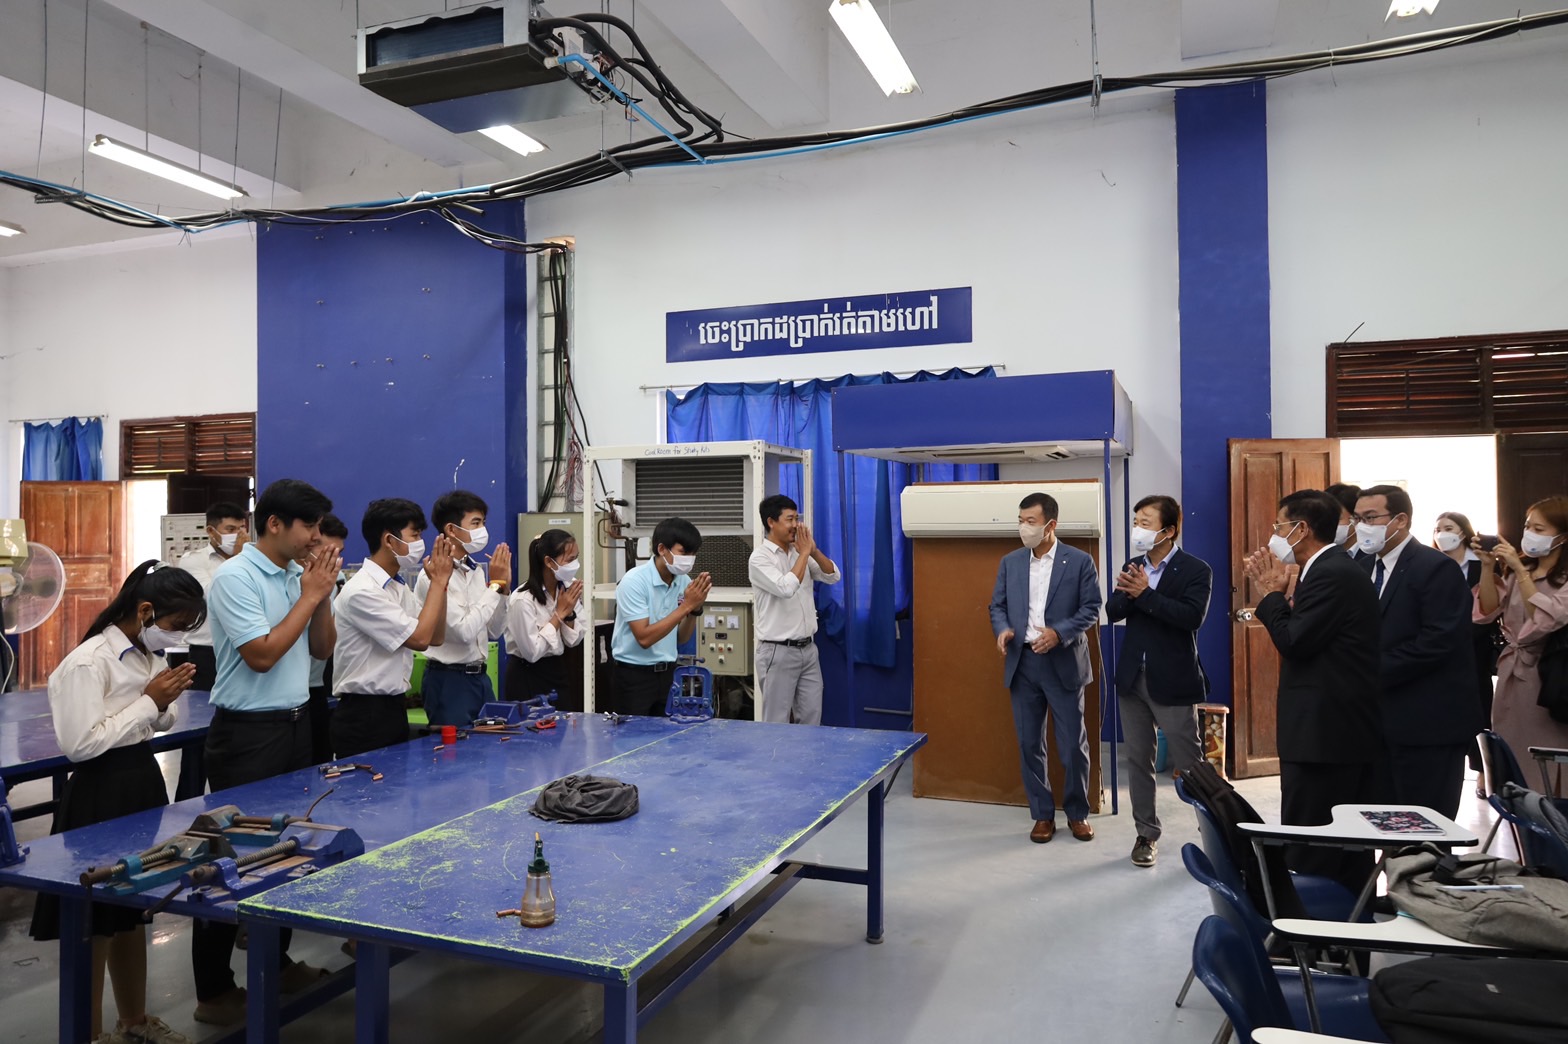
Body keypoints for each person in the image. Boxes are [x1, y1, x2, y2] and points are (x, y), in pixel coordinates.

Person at [29, 562, 205, 1044]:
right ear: (145, 611)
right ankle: (88, 1034)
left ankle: (134, 1021)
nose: (176, 637)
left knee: (131, 909)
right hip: (99, 792)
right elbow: (81, 744)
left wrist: (162, 702)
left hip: (140, 782)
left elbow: (157, 722)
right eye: (175, 625)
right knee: (94, 919)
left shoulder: (147, 655)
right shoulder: (88, 663)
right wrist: (149, 701)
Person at [194, 478, 339, 1025]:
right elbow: (261, 655)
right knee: (228, 856)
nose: (317, 537)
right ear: (274, 523)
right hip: (248, 736)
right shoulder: (236, 577)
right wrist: (310, 595)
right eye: (309, 526)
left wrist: (319, 595)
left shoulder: (297, 575)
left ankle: (274, 965)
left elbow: (321, 649)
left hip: (296, 725)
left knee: (287, 850)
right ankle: (213, 991)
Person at [1244, 490, 1383, 892]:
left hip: (1326, 736)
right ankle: (1347, 920)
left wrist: (1271, 595)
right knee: (1340, 844)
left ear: (1301, 529)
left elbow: (1296, 641)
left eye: (1279, 526)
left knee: (1315, 843)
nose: (1274, 535)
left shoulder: (1331, 572)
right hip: (1330, 732)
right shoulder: (1323, 569)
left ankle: (1316, 921)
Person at [1352, 485, 1478, 818]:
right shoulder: (1362, 565)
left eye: (1370, 518)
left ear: (1400, 520)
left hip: (1427, 722)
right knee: (1383, 822)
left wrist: (1367, 672)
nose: (1362, 526)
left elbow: (1438, 640)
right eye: (1357, 519)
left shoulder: (1435, 567)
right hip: (1377, 724)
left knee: (1424, 826)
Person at [989, 492, 1102, 844]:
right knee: (1029, 744)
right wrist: (1003, 629)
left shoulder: (1079, 561)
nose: (1023, 528)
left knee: (1072, 746)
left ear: (1051, 525)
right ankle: (1042, 815)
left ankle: (1078, 814)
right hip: (1023, 664)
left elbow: (1091, 608)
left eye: (1031, 522)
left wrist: (1059, 633)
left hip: (1063, 663)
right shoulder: (1010, 562)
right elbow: (997, 606)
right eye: (1020, 520)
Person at [1105, 494, 1210, 867]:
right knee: (1138, 760)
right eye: (1136, 521)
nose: (1138, 529)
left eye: (1145, 522)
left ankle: (1216, 834)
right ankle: (1146, 834)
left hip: (1173, 680)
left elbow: (1190, 617)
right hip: (1132, 678)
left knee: (1192, 764)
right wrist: (1130, 593)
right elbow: (1113, 611)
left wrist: (1145, 594)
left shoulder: (1196, 570)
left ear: (1169, 530)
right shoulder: (1133, 565)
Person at [333, 498, 454, 757]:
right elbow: (420, 639)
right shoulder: (362, 591)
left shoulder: (397, 586)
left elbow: (436, 637)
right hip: (363, 714)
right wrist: (437, 583)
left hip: (393, 707)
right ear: (389, 540)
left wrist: (442, 586)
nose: (421, 542)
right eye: (415, 535)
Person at [1474, 495, 1568, 790]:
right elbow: (1488, 610)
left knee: (1545, 758)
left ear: (1562, 537)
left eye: (1539, 529)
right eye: (1528, 526)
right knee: (1510, 750)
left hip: (1549, 675)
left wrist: (1520, 570)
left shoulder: (1559, 577)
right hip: (1511, 674)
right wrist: (1488, 566)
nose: (1529, 534)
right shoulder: (1517, 571)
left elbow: (1543, 619)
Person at [414, 491, 511, 726]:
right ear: (451, 529)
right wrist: (495, 586)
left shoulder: (476, 571)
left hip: (480, 677)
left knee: (491, 741)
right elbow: (463, 632)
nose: (482, 530)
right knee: (456, 746)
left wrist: (503, 590)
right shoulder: (432, 576)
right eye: (475, 523)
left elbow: (494, 630)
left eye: (483, 523)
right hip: (449, 679)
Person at [748, 494, 841, 725]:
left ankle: (806, 752)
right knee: (776, 722)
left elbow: (832, 576)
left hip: (808, 649)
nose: (795, 525)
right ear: (771, 522)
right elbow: (786, 587)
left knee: (811, 718)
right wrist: (805, 553)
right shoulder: (759, 559)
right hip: (777, 651)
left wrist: (813, 551)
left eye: (797, 519)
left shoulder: (799, 552)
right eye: (789, 519)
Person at [611, 517, 711, 717]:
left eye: (693, 554)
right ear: (662, 549)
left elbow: (681, 638)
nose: (689, 559)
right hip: (633, 676)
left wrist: (695, 610)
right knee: (632, 734)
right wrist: (687, 606)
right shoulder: (634, 581)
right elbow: (644, 638)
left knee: (667, 734)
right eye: (684, 552)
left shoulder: (683, 581)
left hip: (668, 674)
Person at [1434, 511, 1502, 789]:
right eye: (1438, 528)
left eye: (1448, 528)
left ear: (1463, 532)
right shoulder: (1432, 564)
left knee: (1479, 711)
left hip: (1476, 647)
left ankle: (1483, 769)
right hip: (1439, 648)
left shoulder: (1480, 565)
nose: (1442, 533)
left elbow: (1491, 607)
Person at [505, 528, 586, 704]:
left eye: (576, 558)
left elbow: (574, 640)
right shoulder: (523, 599)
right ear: (549, 562)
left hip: (557, 669)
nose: (575, 564)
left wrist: (569, 613)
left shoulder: (567, 588)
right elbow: (532, 653)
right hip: (527, 675)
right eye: (570, 560)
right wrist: (558, 615)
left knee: (564, 717)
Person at [175, 501, 250, 690]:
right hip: (207, 652)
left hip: (246, 649)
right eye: (231, 529)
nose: (239, 535)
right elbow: (214, 597)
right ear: (211, 531)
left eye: (242, 528)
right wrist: (238, 560)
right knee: (204, 704)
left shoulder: (253, 559)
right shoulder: (193, 561)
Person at [304, 513, 348, 764]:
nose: (335, 560)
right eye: (328, 552)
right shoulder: (293, 579)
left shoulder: (337, 581)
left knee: (320, 762)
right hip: (285, 693)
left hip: (317, 686)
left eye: (339, 553)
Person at [1325, 483, 1360, 555]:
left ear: (1355, 518)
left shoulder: (1372, 555)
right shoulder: (1323, 554)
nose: (1328, 524)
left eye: (1335, 518)